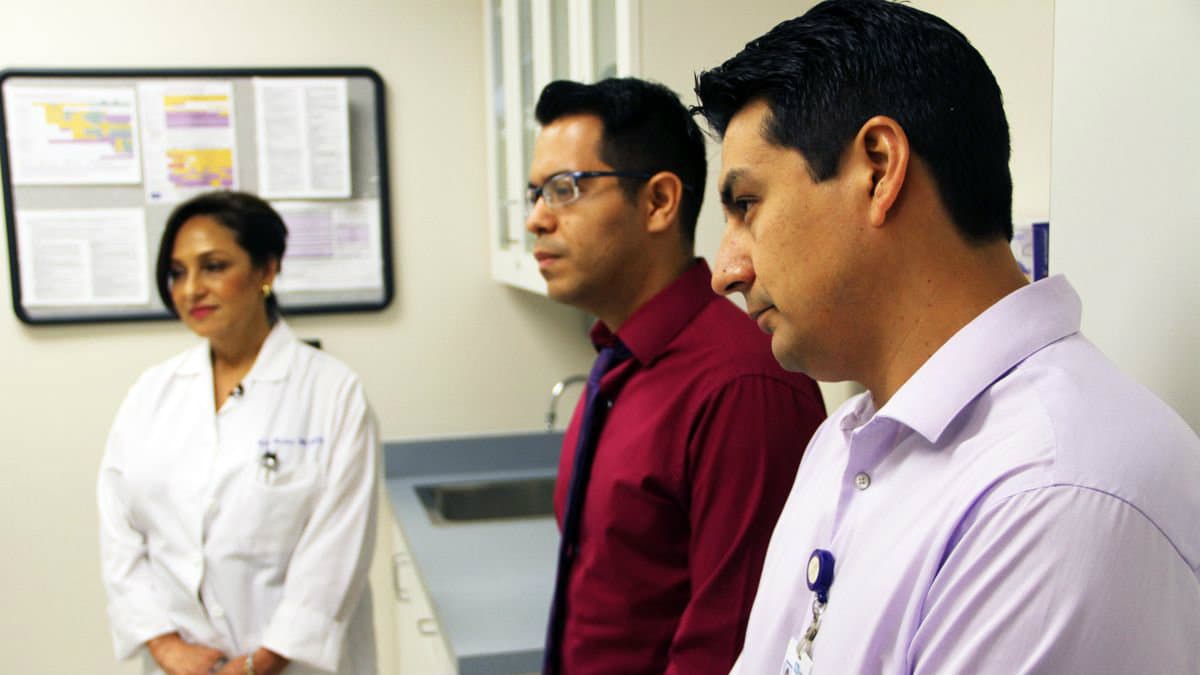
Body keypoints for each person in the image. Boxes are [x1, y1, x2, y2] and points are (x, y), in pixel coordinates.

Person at [692, 1, 1200, 673]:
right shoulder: (842, 442)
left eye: (746, 205)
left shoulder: (1054, 490)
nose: (726, 270)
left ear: (878, 169)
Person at [526, 77, 826, 675]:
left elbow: (728, 648)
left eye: (564, 189)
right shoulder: (617, 361)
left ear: (659, 201)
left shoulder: (744, 386)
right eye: (535, 194)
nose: (537, 219)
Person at [98, 191, 378, 675]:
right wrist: (165, 645)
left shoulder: (332, 392)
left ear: (267, 269)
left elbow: (338, 549)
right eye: (177, 272)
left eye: (213, 266)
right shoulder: (152, 393)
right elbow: (119, 531)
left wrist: (264, 660)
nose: (191, 290)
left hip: (295, 665)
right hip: (180, 664)